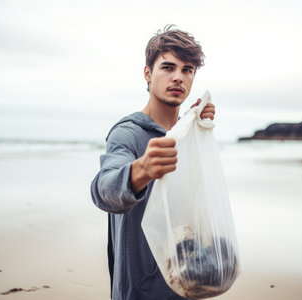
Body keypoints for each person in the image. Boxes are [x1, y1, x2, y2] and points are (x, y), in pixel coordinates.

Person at [91, 25, 216, 300]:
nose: (178, 78)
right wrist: (142, 169)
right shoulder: (128, 133)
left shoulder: (186, 133)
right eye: (168, 67)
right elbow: (104, 190)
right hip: (140, 290)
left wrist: (195, 127)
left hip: (186, 281)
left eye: (187, 70)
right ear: (148, 73)